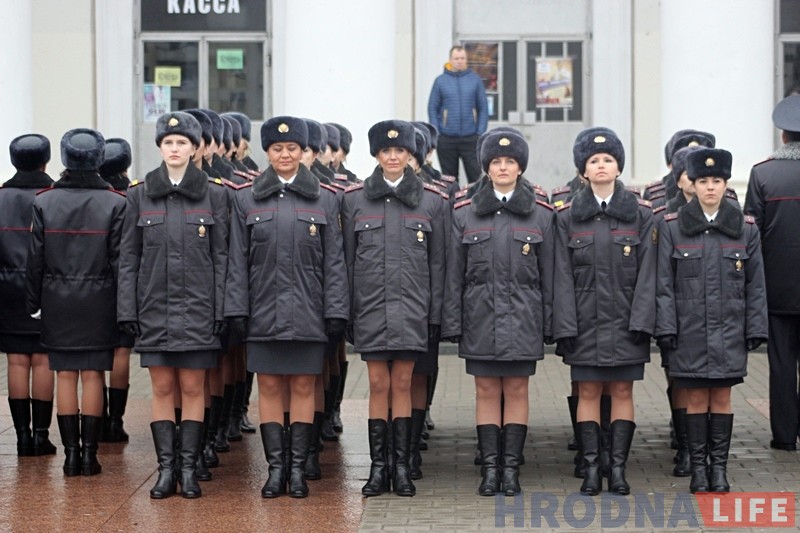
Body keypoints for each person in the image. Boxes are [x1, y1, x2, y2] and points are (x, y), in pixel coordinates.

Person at [225, 116, 348, 498]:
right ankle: (275, 471)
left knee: (303, 385)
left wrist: (335, 312)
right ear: (267, 151)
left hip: (308, 311)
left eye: (292, 148)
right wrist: (236, 310)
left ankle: (297, 470)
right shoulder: (246, 198)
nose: (285, 154)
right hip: (262, 310)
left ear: (303, 151)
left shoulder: (325, 198)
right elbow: (237, 260)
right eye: (277, 148)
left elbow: (335, 262)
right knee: (270, 387)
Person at [117, 112, 229, 499]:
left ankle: (189, 469)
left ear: (195, 148)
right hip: (154, 308)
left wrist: (222, 310)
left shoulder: (216, 194)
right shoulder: (139, 194)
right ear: (160, 147)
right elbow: (129, 258)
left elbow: (222, 258)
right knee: (162, 388)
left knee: (194, 388)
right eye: (168, 142)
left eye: (182, 142)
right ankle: (167, 471)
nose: (175, 149)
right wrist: (127, 310)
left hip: (199, 309)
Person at [443, 130, 554, 496]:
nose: (503, 167)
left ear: (520, 167)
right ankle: (490, 470)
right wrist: (453, 323)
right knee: (486, 390)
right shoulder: (464, 213)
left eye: (510, 161)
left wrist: (550, 324)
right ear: (486, 168)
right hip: (481, 318)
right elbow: (454, 275)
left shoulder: (541, 213)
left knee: (518, 389)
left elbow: (551, 276)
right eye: (496, 162)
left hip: (524, 318)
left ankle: (511, 469)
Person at [342, 120, 446, 497]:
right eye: (386, 151)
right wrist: (347, 312)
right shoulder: (354, 200)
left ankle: (401, 468)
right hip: (370, 308)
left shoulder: (432, 201)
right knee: (377, 384)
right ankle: (378, 468)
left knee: (402, 383)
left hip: (412, 309)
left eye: (399, 150)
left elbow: (438, 265)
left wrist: (435, 315)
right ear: (376, 154)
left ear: (410, 154)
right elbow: (347, 262)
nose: (392, 157)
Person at [657, 147, 768, 492]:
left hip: (729, 330)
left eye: (716, 181)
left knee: (721, 397)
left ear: (725, 184)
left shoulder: (745, 229)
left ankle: (718, 470)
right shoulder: (673, 227)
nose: (709, 187)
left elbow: (756, 285)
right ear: (691, 183)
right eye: (703, 180)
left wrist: (756, 328)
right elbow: (663, 284)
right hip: (688, 331)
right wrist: (666, 327)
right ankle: (698, 470)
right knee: (694, 399)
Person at [552, 128, 656, 496]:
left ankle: (619, 469)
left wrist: (642, 321)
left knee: (623, 391)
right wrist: (565, 325)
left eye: (608, 160)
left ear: (618, 167)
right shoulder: (567, 217)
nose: (601, 165)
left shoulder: (641, 214)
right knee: (589, 392)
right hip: (585, 324)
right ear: (583, 170)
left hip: (626, 323)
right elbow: (561, 276)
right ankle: (592, 469)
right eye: (594, 160)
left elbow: (649, 274)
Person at [25, 128, 126, 477]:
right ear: (99, 158)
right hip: (101, 301)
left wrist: (33, 302)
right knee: (94, 374)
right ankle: (90, 456)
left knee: (66, 375)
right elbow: (121, 262)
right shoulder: (116, 202)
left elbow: (35, 260)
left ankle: (70, 457)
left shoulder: (45, 201)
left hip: (57, 300)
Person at [744, 94, 800, 452]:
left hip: (776, 289)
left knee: (781, 365)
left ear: (782, 135)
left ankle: (784, 436)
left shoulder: (763, 174)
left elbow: (752, 234)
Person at [0, 134, 56, 457]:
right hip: (47, 289)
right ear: (45, 161)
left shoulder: (1, 197)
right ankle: (40, 436)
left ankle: (22, 436)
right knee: (44, 359)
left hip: (7, 289)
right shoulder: (53, 196)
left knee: (17, 360)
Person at [97, 138, 134, 443]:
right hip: (126, 282)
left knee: (97, 353)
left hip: (94, 283)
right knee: (122, 351)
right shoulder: (133, 194)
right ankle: (115, 421)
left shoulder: (96, 195)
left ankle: (96, 418)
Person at [428, 45, 489, 185]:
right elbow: (432, 108)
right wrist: (437, 133)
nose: (459, 61)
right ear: (450, 60)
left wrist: (479, 132)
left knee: (476, 178)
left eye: (462, 58)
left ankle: (475, 200)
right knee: (449, 180)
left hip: (471, 139)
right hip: (446, 139)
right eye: (456, 58)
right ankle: (451, 200)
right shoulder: (440, 81)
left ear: (466, 60)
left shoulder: (475, 80)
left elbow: (483, 107)